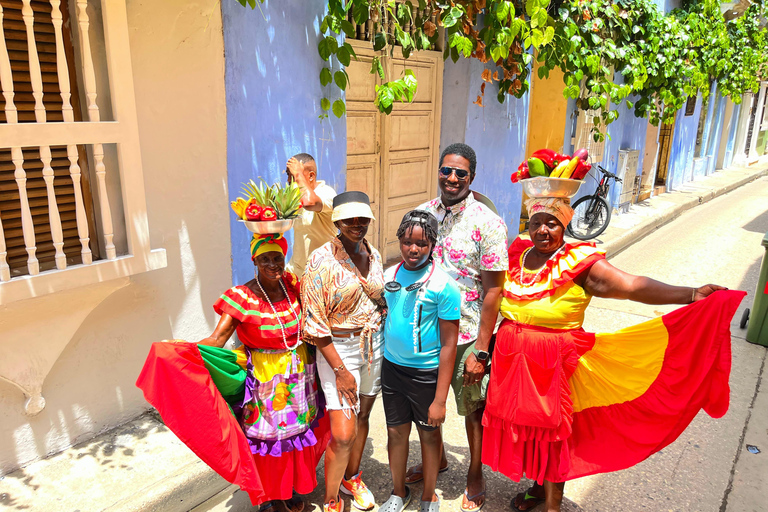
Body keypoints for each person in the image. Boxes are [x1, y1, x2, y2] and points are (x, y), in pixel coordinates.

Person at [482, 196, 745, 512]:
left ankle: (553, 506)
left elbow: (632, 285)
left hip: (556, 365)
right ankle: (539, 487)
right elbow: (491, 297)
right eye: (536, 222)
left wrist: (689, 294)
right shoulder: (517, 256)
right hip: (513, 361)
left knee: (554, 433)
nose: (542, 230)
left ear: (565, 226)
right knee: (530, 430)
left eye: (551, 223)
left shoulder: (579, 264)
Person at [136, 232, 330, 512]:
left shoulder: (292, 286)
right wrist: (182, 347)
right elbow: (217, 340)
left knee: (297, 434)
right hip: (266, 380)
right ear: (255, 261)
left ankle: (288, 489)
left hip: (300, 374)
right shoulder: (242, 297)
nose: (273, 264)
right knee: (269, 440)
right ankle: (271, 498)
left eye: (278, 257)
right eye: (265, 259)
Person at [414, 143, 508, 512]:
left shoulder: (488, 222)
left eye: (461, 173)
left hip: (467, 333)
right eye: (446, 170)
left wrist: (482, 349)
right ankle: (436, 460)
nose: (452, 178)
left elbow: (494, 288)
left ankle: (475, 471)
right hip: (425, 332)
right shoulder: (422, 214)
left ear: (472, 177)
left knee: (473, 409)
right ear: (438, 171)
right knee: (426, 405)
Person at [300, 191, 386, 512]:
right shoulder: (321, 260)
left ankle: (353, 479)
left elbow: (378, 297)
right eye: (349, 218)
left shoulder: (372, 252)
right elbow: (314, 322)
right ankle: (331, 498)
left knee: (363, 416)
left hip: (371, 345)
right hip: (338, 350)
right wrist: (340, 369)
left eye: (362, 218)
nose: (356, 224)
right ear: (336, 220)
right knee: (343, 433)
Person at [380, 211, 461, 512]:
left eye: (421, 244)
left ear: (432, 245)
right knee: (395, 433)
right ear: (399, 242)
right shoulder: (389, 276)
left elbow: (449, 345)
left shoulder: (444, 286)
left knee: (429, 435)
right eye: (407, 242)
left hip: (426, 375)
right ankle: (399, 492)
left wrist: (440, 399)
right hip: (392, 370)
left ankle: (429, 495)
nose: (413, 250)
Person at [285, 153, 338, 278]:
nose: (289, 180)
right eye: (288, 175)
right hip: (297, 271)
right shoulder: (295, 195)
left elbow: (310, 202)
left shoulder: (326, 193)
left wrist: (298, 175)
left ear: (311, 176)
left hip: (322, 274)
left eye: (292, 175)